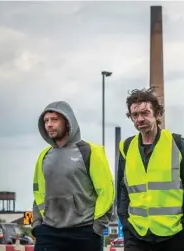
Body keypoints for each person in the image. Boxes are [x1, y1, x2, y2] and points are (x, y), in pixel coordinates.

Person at [117, 88, 184, 251]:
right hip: (137, 237)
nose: (140, 119)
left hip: (174, 237)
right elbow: (123, 192)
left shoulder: (178, 144)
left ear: (157, 113)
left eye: (145, 113)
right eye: (135, 115)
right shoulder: (126, 147)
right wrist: (126, 227)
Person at [32, 101, 115, 251]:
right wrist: (37, 225)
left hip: (84, 232)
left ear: (68, 122)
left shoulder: (90, 151)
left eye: (54, 120)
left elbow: (107, 192)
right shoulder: (44, 156)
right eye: (46, 120)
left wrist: (97, 227)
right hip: (49, 232)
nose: (49, 124)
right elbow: (39, 193)